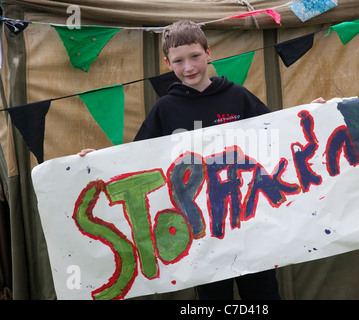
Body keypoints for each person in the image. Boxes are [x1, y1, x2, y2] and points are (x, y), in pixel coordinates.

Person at [79, 20, 325, 299]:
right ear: (167, 63)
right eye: (178, 60)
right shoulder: (165, 109)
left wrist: (312, 116)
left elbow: (276, 133)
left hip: (249, 223)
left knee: (263, 295)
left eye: (195, 56)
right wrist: (95, 161)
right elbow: (136, 158)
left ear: (208, 52)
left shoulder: (237, 96)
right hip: (201, 234)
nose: (188, 67)